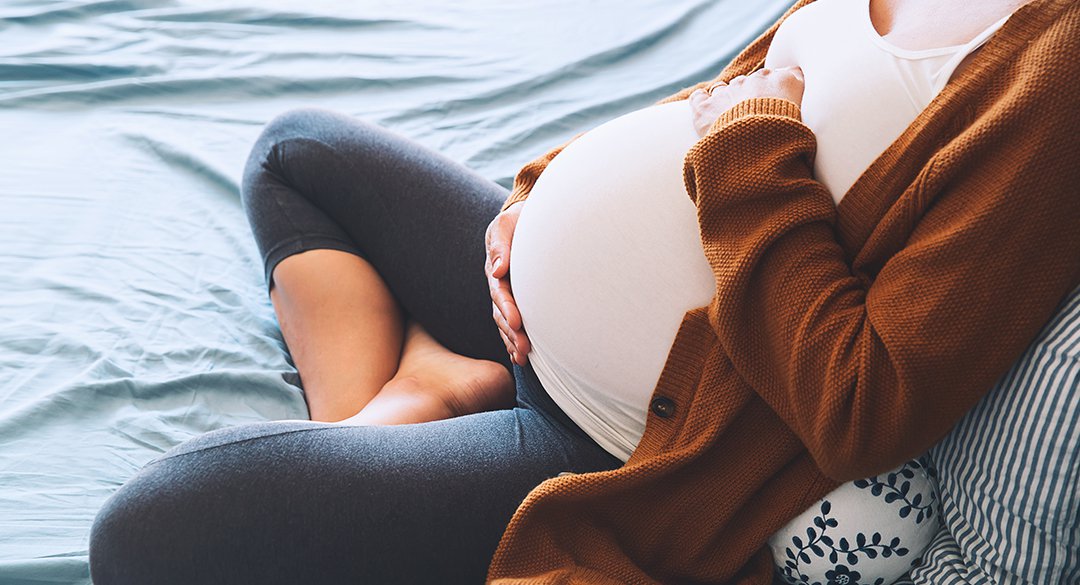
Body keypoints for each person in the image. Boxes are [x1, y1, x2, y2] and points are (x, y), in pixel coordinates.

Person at [88, 0, 1080, 583]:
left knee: (146, 534)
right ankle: (419, 399)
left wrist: (744, 151)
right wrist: (537, 194)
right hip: (525, 316)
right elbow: (731, 96)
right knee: (296, 152)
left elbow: (867, 403)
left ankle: (408, 402)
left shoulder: (1059, 73)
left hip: (629, 437)